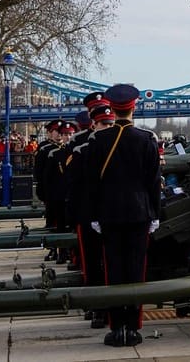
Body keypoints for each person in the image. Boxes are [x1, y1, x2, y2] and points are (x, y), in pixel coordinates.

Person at [83, 84, 161, 347]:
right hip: (139, 213)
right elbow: (154, 182)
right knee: (136, 270)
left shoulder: (99, 140)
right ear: (133, 108)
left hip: (109, 213)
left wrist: (94, 214)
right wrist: (155, 214)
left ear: (112, 109)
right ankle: (134, 327)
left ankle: (117, 328)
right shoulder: (146, 139)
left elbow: (92, 182)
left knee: (114, 270)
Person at [63, 94, 110, 330]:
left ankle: (108, 306)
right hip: (91, 212)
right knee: (92, 262)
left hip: (106, 211)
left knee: (107, 261)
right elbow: (73, 182)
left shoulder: (115, 141)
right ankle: (97, 306)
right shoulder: (80, 144)